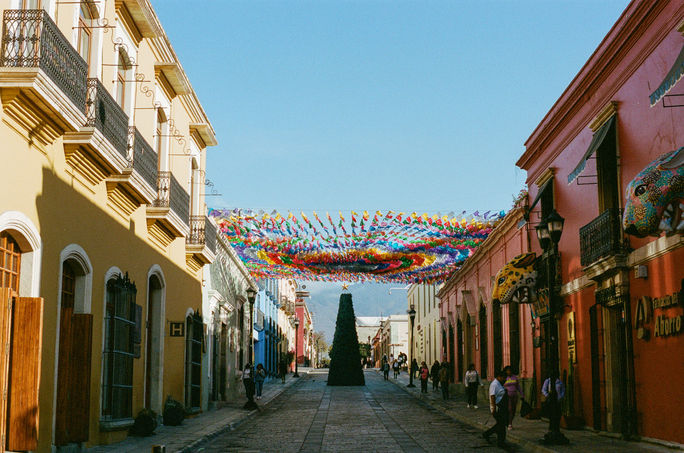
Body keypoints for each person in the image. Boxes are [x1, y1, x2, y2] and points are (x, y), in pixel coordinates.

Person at [482, 369, 508, 448]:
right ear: (499, 377)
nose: (504, 380)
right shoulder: (494, 384)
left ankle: (488, 434)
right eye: (504, 378)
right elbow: (492, 396)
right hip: (497, 408)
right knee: (501, 425)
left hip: (501, 407)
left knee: (501, 425)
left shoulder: (499, 384)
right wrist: (493, 408)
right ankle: (500, 442)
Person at [504, 365, 524, 429]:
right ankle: (509, 424)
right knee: (510, 409)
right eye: (508, 370)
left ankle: (510, 422)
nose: (509, 372)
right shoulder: (504, 378)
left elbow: (518, 386)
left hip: (515, 395)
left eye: (510, 370)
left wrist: (522, 394)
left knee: (514, 410)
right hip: (507, 395)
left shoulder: (515, 377)